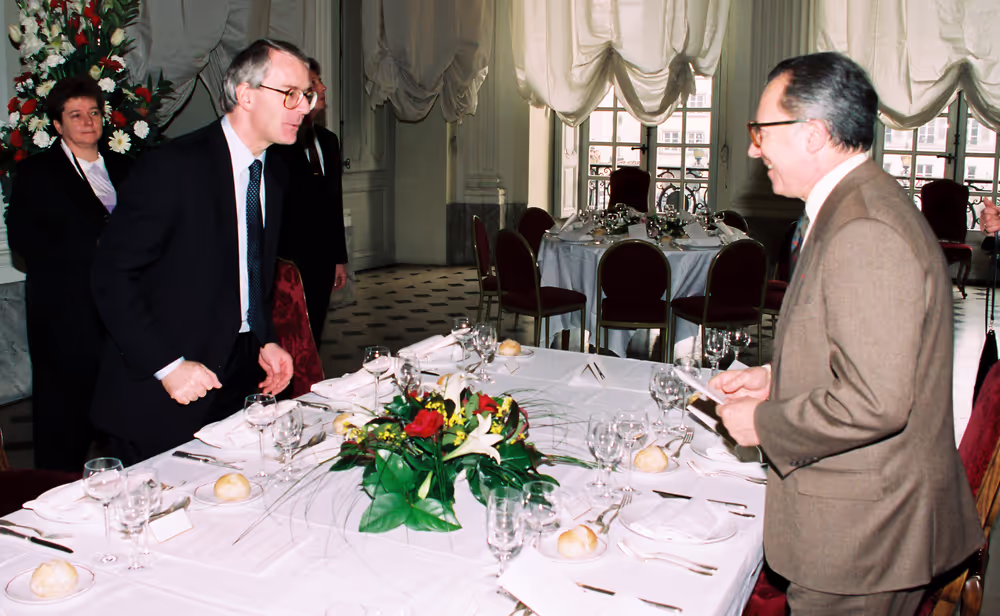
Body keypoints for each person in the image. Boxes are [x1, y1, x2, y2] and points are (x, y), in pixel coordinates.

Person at [710, 52, 982, 614]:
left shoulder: (863, 228)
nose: (755, 148)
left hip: (864, 538)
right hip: (866, 520)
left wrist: (762, 421)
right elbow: (860, 351)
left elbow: (876, 402)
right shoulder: (852, 206)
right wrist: (776, 379)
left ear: (813, 133)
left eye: (761, 131)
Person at [90, 39, 309, 464]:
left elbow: (249, 273)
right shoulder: (173, 166)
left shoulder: (273, 173)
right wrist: (168, 366)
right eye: (291, 94)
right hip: (162, 392)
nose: (304, 107)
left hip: (239, 381)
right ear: (246, 94)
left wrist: (264, 339)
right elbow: (111, 276)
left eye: (307, 96)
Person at [6, 76, 133, 471]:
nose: (87, 122)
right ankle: (52, 495)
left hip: (124, 309)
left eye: (94, 113)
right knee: (65, 417)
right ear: (58, 125)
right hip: (66, 312)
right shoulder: (35, 173)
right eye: (75, 115)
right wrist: (93, 247)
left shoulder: (129, 166)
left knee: (124, 408)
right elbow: (24, 240)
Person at [272, 58, 348, 347]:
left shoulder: (328, 141)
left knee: (314, 330)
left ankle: (309, 383)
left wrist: (339, 258)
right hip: (288, 256)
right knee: (287, 333)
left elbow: (334, 203)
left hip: (322, 257)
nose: (323, 87)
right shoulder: (279, 143)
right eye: (316, 83)